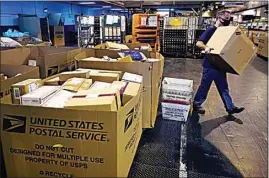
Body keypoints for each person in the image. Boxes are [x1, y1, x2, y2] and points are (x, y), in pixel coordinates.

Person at [193, 10, 245, 115]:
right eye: (226, 19)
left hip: (221, 64)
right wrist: (206, 47)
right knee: (205, 86)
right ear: (219, 18)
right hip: (210, 65)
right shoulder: (211, 30)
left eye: (229, 19)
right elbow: (199, 43)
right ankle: (196, 104)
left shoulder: (225, 32)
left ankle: (230, 108)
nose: (228, 22)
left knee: (224, 87)